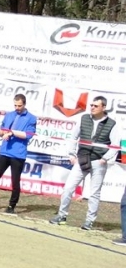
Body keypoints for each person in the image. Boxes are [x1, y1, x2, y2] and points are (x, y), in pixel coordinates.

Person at [50, 96, 119, 230]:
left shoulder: (112, 124)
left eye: (95, 106)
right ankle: (62, 216)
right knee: (68, 188)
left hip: (99, 162)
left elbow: (115, 145)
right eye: (91, 105)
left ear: (103, 107)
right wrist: (71, 154)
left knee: (94, 193)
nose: (92, 107)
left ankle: (89, 221)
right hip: (82, 159)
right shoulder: (84, 118)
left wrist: (105, 158)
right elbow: (73, 137)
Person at [0, 94, 37, 215]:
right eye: (15, 105)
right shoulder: (9, 115)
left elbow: (28, 135)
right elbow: (1, 130)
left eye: (19, 106)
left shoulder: (31, 118)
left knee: (15, 181)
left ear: (24, 104)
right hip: (4, 151)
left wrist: (12, 133)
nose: (17, 108)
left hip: (18, 154)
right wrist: (1, 133)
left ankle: (11, 205)